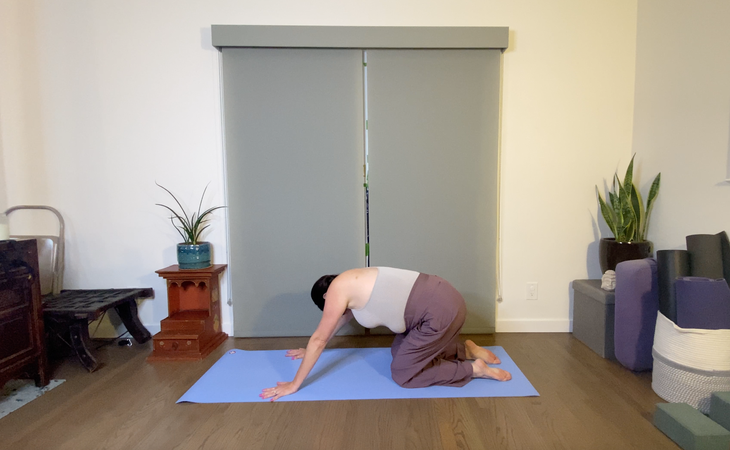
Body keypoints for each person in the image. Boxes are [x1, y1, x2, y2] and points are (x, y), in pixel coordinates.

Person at [260, 267, 511, 401]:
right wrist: (309, 353)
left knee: (403, 375)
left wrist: (294, 385)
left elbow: (319, 337)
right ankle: (464, 349)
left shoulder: (338, 291)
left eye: (325, 306)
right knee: (397, 351)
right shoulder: (350, 280)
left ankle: (474, 369)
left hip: (441, 313)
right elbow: (328, 331)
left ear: (326, 296)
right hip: (442, 298)